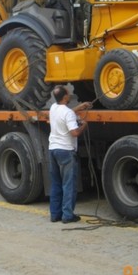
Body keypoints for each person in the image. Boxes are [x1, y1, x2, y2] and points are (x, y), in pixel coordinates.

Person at [48, 85, 92, 223]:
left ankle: (55, 215)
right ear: (65, 97)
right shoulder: (67, 113)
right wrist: (84, 125)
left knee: (56, 183)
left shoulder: (53, 108)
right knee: (68, 185)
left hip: (53, 149)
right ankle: (67, 216)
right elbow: (75, 133)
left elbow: (66, 113)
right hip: (66, 151)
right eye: (68, 94)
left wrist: (80, 107)